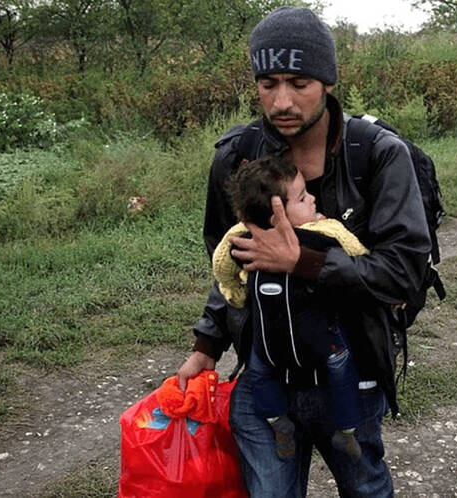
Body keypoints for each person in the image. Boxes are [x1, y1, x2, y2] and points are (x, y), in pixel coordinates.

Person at [176, 6, 431, 497]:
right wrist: (206, 347)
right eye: (268, 83)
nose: (282, 101)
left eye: (299, 82)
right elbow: (233, 262)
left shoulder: (378, 155)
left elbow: (403, 274)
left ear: (329, 82)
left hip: (349, 372)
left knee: (365, 489)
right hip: (265, 371)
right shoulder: (238, 157)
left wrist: (305, 263)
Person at [212, 155, 369, 462]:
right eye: (302, 197)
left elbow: (221, 265)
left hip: (268, 340)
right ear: (276, 215)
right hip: (320, 336)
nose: (312, 198)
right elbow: (360, 258)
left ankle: (276, 422)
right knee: (341, 366)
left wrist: (234, 292)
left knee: (259, 373)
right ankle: (347, 429)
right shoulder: (328, 230)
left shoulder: (240, 237)